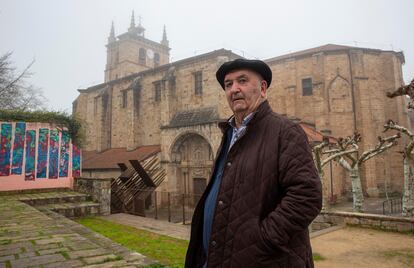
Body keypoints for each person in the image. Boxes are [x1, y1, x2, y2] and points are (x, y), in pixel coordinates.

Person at [185, 58, 322, 268]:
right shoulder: (229, 135)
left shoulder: (285, 132)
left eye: (242, 81)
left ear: (263, 88)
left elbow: (307, 196)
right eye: (228, 84)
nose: (234, 89)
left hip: (263, 261)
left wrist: (261, 240)